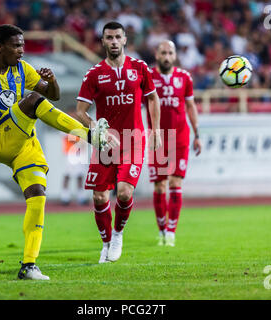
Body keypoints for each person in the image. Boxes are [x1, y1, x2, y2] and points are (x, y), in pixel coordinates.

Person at [0, 24, 113, 280]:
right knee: (32, 101)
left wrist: (53, 81)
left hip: (26, 145)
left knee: (37, 196)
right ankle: (91, 135)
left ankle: (29, 265)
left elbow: (54, 97)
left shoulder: (22, 69)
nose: (22, 50)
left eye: (23, 45)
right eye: (16, 45)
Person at [76, 22, 162, 263]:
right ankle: (105, 243)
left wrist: (155, 130)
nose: (113, 41)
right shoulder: (93, 74)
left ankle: (117, 235)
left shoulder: (139, 68)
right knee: (100, 197)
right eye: (108, 38)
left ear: (125, 40)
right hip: (106, 145)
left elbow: (153, 99)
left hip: (133, 139)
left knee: (123, 192)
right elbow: (80, 111)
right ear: (103, 41)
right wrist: (95, 127)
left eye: (117, 37)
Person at [147, 40, 202, 247]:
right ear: (157, 54)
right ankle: (161, 229)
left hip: (180, 137)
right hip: (158, 138)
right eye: (163, 52)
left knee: (175, 183)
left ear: (175, 55)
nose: (167, 56)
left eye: (170, 52)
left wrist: (197, 133)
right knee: (160, 186)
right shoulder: (149, 77)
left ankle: (171, 231)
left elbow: (190, 106)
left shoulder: (184, 77)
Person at [60, 131, 89, 206]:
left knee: (80, 175)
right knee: (67, 175)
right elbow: (68, 136)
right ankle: (65, 197)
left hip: (79, 153)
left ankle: (81, 197)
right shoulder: (66, 122)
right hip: (69, 152)